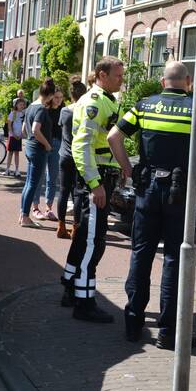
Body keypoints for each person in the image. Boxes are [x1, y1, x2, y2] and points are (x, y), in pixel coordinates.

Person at [110, 61, 196, 349]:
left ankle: (134, 323)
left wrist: (127, 169)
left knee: (141, 254)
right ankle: (168, 331)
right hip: (181, 195)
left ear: (163, 82)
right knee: (175, 260)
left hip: (147, 189)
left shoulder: (144, 106)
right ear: (188, 82)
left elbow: (114, 136)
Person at [61, 57, 124, 323]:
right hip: (95, 180)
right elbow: (82, 145)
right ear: (102, 74)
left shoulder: (104, 99)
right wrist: (95, 184)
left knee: (85, 236)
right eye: (118, 75)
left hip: (99, 176)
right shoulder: (95, 103)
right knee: (93, 242)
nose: (122, 79)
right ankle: (84, 302)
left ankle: (70, 287)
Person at [19, 79, 56, 227]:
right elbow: (35, 129)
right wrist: (47, 144)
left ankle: (22, 214)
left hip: (30, 147)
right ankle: (25, 217)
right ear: (51, 95)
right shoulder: (41, 109)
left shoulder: (30, 107)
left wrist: (30, 140)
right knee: (33, 184)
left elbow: (24, 130)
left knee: (28, 182)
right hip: (38, 149)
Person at [56, 80, 88, 239]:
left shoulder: (64, 111)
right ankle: (75, 228)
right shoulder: (85, 112)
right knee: (77, 193)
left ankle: (61, 226)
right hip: (79, 156)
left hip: (64, 155)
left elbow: (62, 129)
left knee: (63, 191)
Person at [34, 88, 65, 221]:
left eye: (61, 97)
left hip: (57, 144)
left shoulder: (63, 110)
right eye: (56, 97)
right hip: (44, 144)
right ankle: (35, 208)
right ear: (51, 97)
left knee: (52, 177)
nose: (59, 100)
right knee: (39, 177)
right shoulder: (44, 110)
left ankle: (48, 208)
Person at [5, 98, 26, 176]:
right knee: (10, 153)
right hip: (12, 136)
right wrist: (13, 134)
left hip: (19, 136)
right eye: (20, 104)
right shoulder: (13, 113)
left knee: (17, 153)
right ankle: (7, 169)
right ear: (16, 105)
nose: (22, 106)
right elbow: (9, 125)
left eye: (23, 105)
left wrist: (21, 135)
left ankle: (17, 170)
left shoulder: (23, 114)